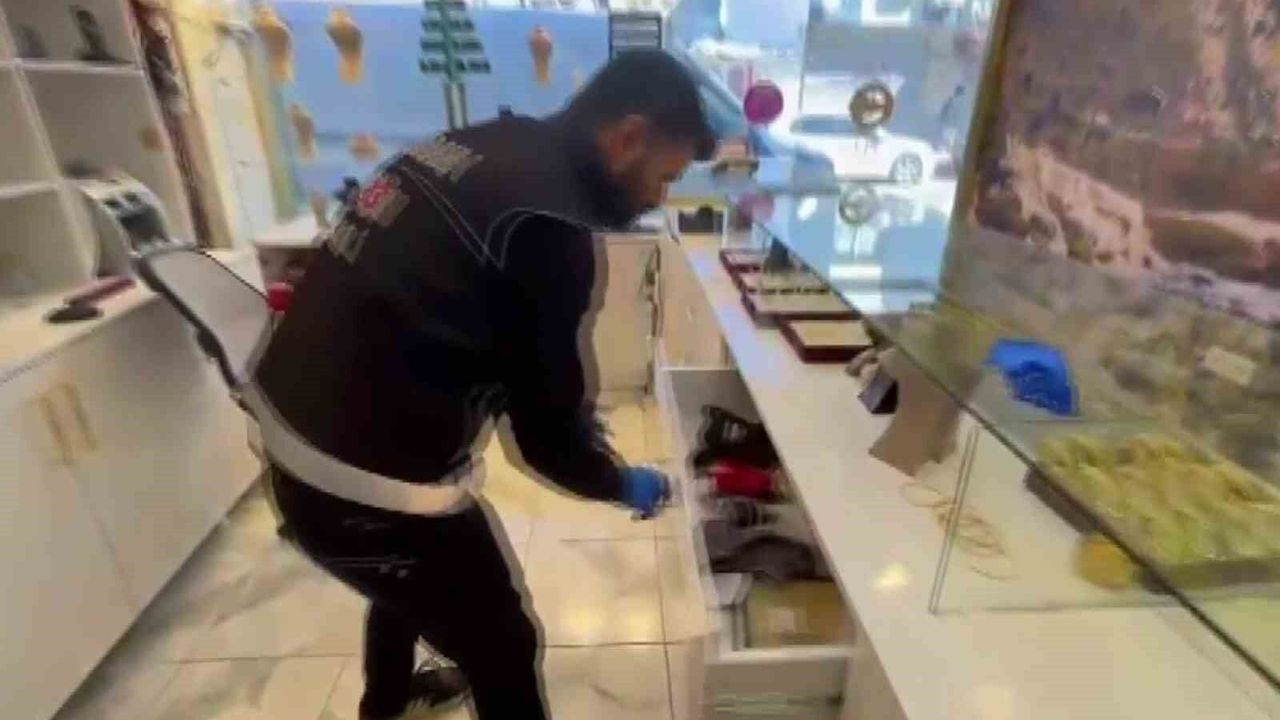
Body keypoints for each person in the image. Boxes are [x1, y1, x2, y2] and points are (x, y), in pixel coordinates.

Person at [253, 50, 716, 720]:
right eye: (664, 177)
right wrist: (620, 482)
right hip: (354, 490)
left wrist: (554, 403)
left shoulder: (479, 143)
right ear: (629, 138)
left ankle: (387, 702)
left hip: (294, 428)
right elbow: (547, 447)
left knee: (412, 581)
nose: (658, 199)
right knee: (502, 642)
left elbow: (453, 301)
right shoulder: (547, 228)